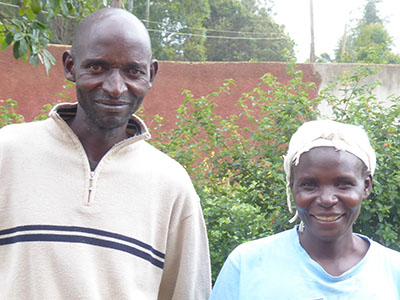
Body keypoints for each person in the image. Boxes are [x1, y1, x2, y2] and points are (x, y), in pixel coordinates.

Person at [0, 8, 211, 299]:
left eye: (132, 71)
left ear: (151, 75)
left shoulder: (172, 186)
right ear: (70, 66)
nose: (115, 88)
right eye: (97, 68)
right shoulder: (7, 153)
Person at [209, 119, 400, 299]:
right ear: (292, 187)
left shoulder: (394, 271)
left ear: (366, 186)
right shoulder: (247, 264)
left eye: (343, 184)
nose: (327, 199)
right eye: (309, 184)